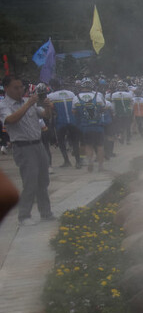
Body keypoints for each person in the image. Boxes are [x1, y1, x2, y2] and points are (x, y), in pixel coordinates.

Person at [0, 74, 54, 224]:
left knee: (43, 180)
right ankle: (24, 216)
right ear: (6, 88)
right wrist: (28, 104)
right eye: (15, 88)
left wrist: (48, 107)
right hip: (23, 147)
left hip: (38, 144)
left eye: (21, 87)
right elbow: (10, 120)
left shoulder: (27, 101)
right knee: (30, 181)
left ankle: (46, 212)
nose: (20, 90)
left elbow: (45, 115)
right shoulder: (4, 105)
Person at [45, 80, 82, 168]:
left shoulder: (50, 96)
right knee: (75, 141)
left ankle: (67, 161)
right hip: (72, 120)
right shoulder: (71, 93)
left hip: (60, 122)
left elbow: (50, 109)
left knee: (61, 141)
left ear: (52, 86)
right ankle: (78, 162)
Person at [74, 83, 107, 172]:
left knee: (89, 145)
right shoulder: (98, 96)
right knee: (100, 146)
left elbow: (74, 111)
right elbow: (104, 108)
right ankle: (100, 166)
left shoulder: (76, 97)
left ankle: (90, 162)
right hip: (98, 125)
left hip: (86, 126)